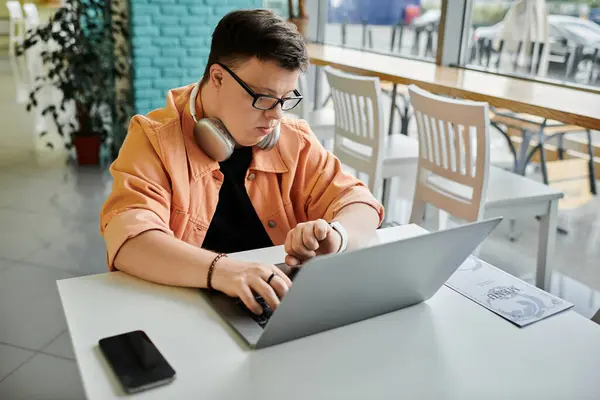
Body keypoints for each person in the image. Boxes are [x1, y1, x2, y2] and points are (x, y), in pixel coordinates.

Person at [100, 9, 384, 316]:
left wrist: (337, 237)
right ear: (218, 77)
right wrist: (226, 272)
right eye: (263, 97)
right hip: (186, 308)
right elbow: (129, 240)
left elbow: (361, 204)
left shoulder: (293, 137)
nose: (276, 115)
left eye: (286, 98)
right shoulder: (153, 139)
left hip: (275, 303)